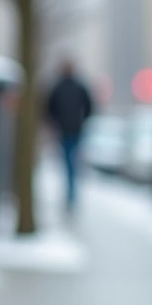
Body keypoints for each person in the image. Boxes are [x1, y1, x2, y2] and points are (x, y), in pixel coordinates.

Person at [45, 60, 95, 210]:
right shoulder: (79, 86)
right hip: (76, 131)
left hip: (63, 131)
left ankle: (70, 194)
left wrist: (55, 124)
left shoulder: (58, 87)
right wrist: (82, 121)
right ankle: (71, 194)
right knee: (73, 164)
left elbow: (48, 109)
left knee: (67, 163)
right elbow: (90, 106)